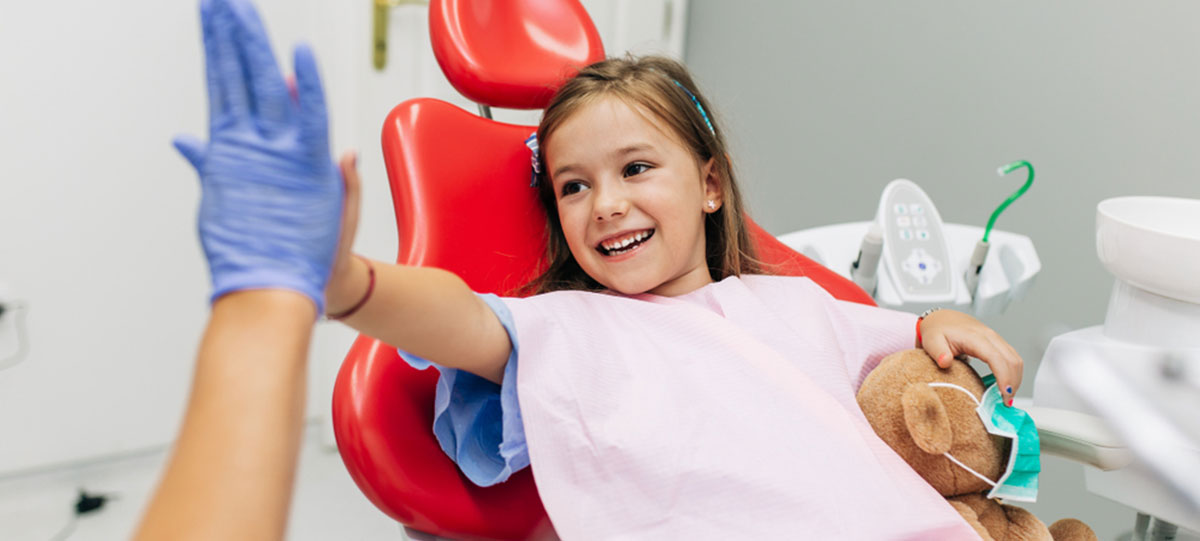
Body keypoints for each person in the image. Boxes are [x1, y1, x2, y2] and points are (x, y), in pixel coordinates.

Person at [139, 0, 1025, 538]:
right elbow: (459, 316)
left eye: (637, 169)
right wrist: (343, 284)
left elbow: (895, 343)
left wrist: (934, 325)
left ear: (711, 184)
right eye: (573, 186)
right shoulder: (574, 330)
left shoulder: (796, 300)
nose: (605, 203)